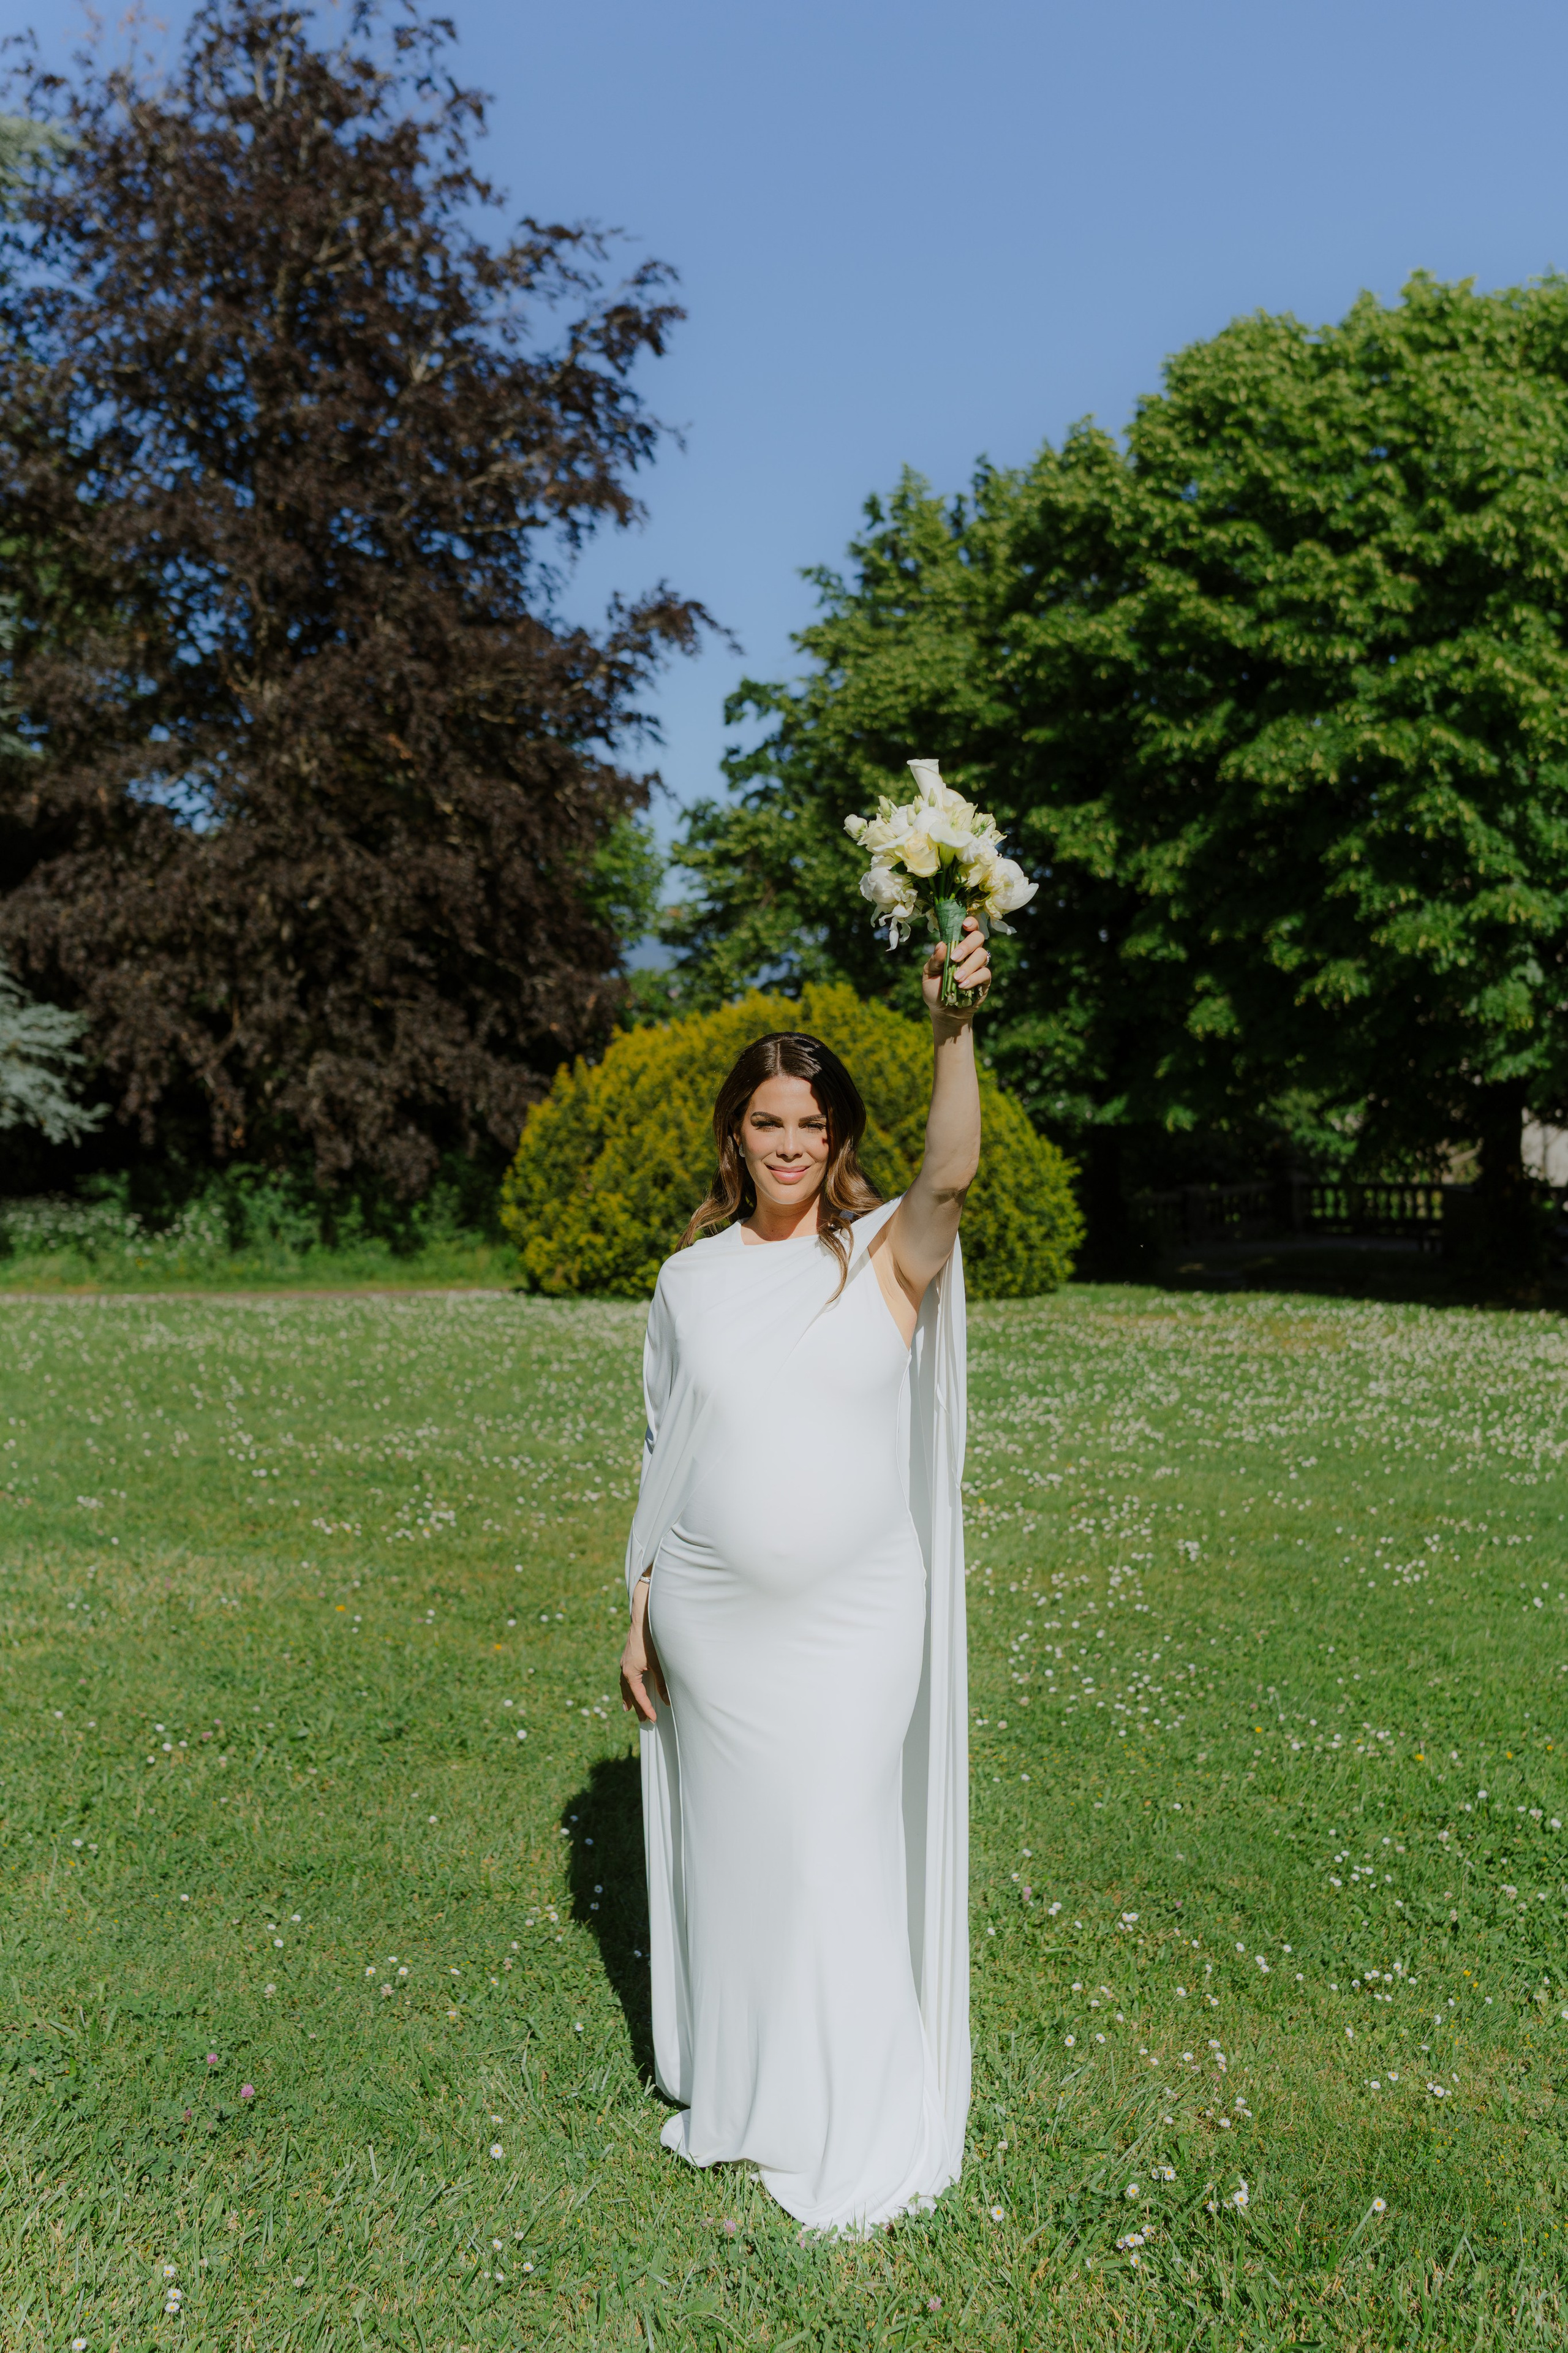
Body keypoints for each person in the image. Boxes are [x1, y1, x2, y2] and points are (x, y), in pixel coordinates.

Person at [618, 917, 990, 2235]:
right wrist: (641, 1608)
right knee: (745, 1863)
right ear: (738, 1133)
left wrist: (951, 1029)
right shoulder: (688, 1281)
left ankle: (854, 2115)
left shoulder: (884, 1252)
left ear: (838, 1142)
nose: (789, 1144)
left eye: (811, 1126)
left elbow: (953, 1170)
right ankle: (755, 2094)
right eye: (768, 1122)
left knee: (833, 1848)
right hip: (710, 1621)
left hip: (852, 1623)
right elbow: (665, 1447)